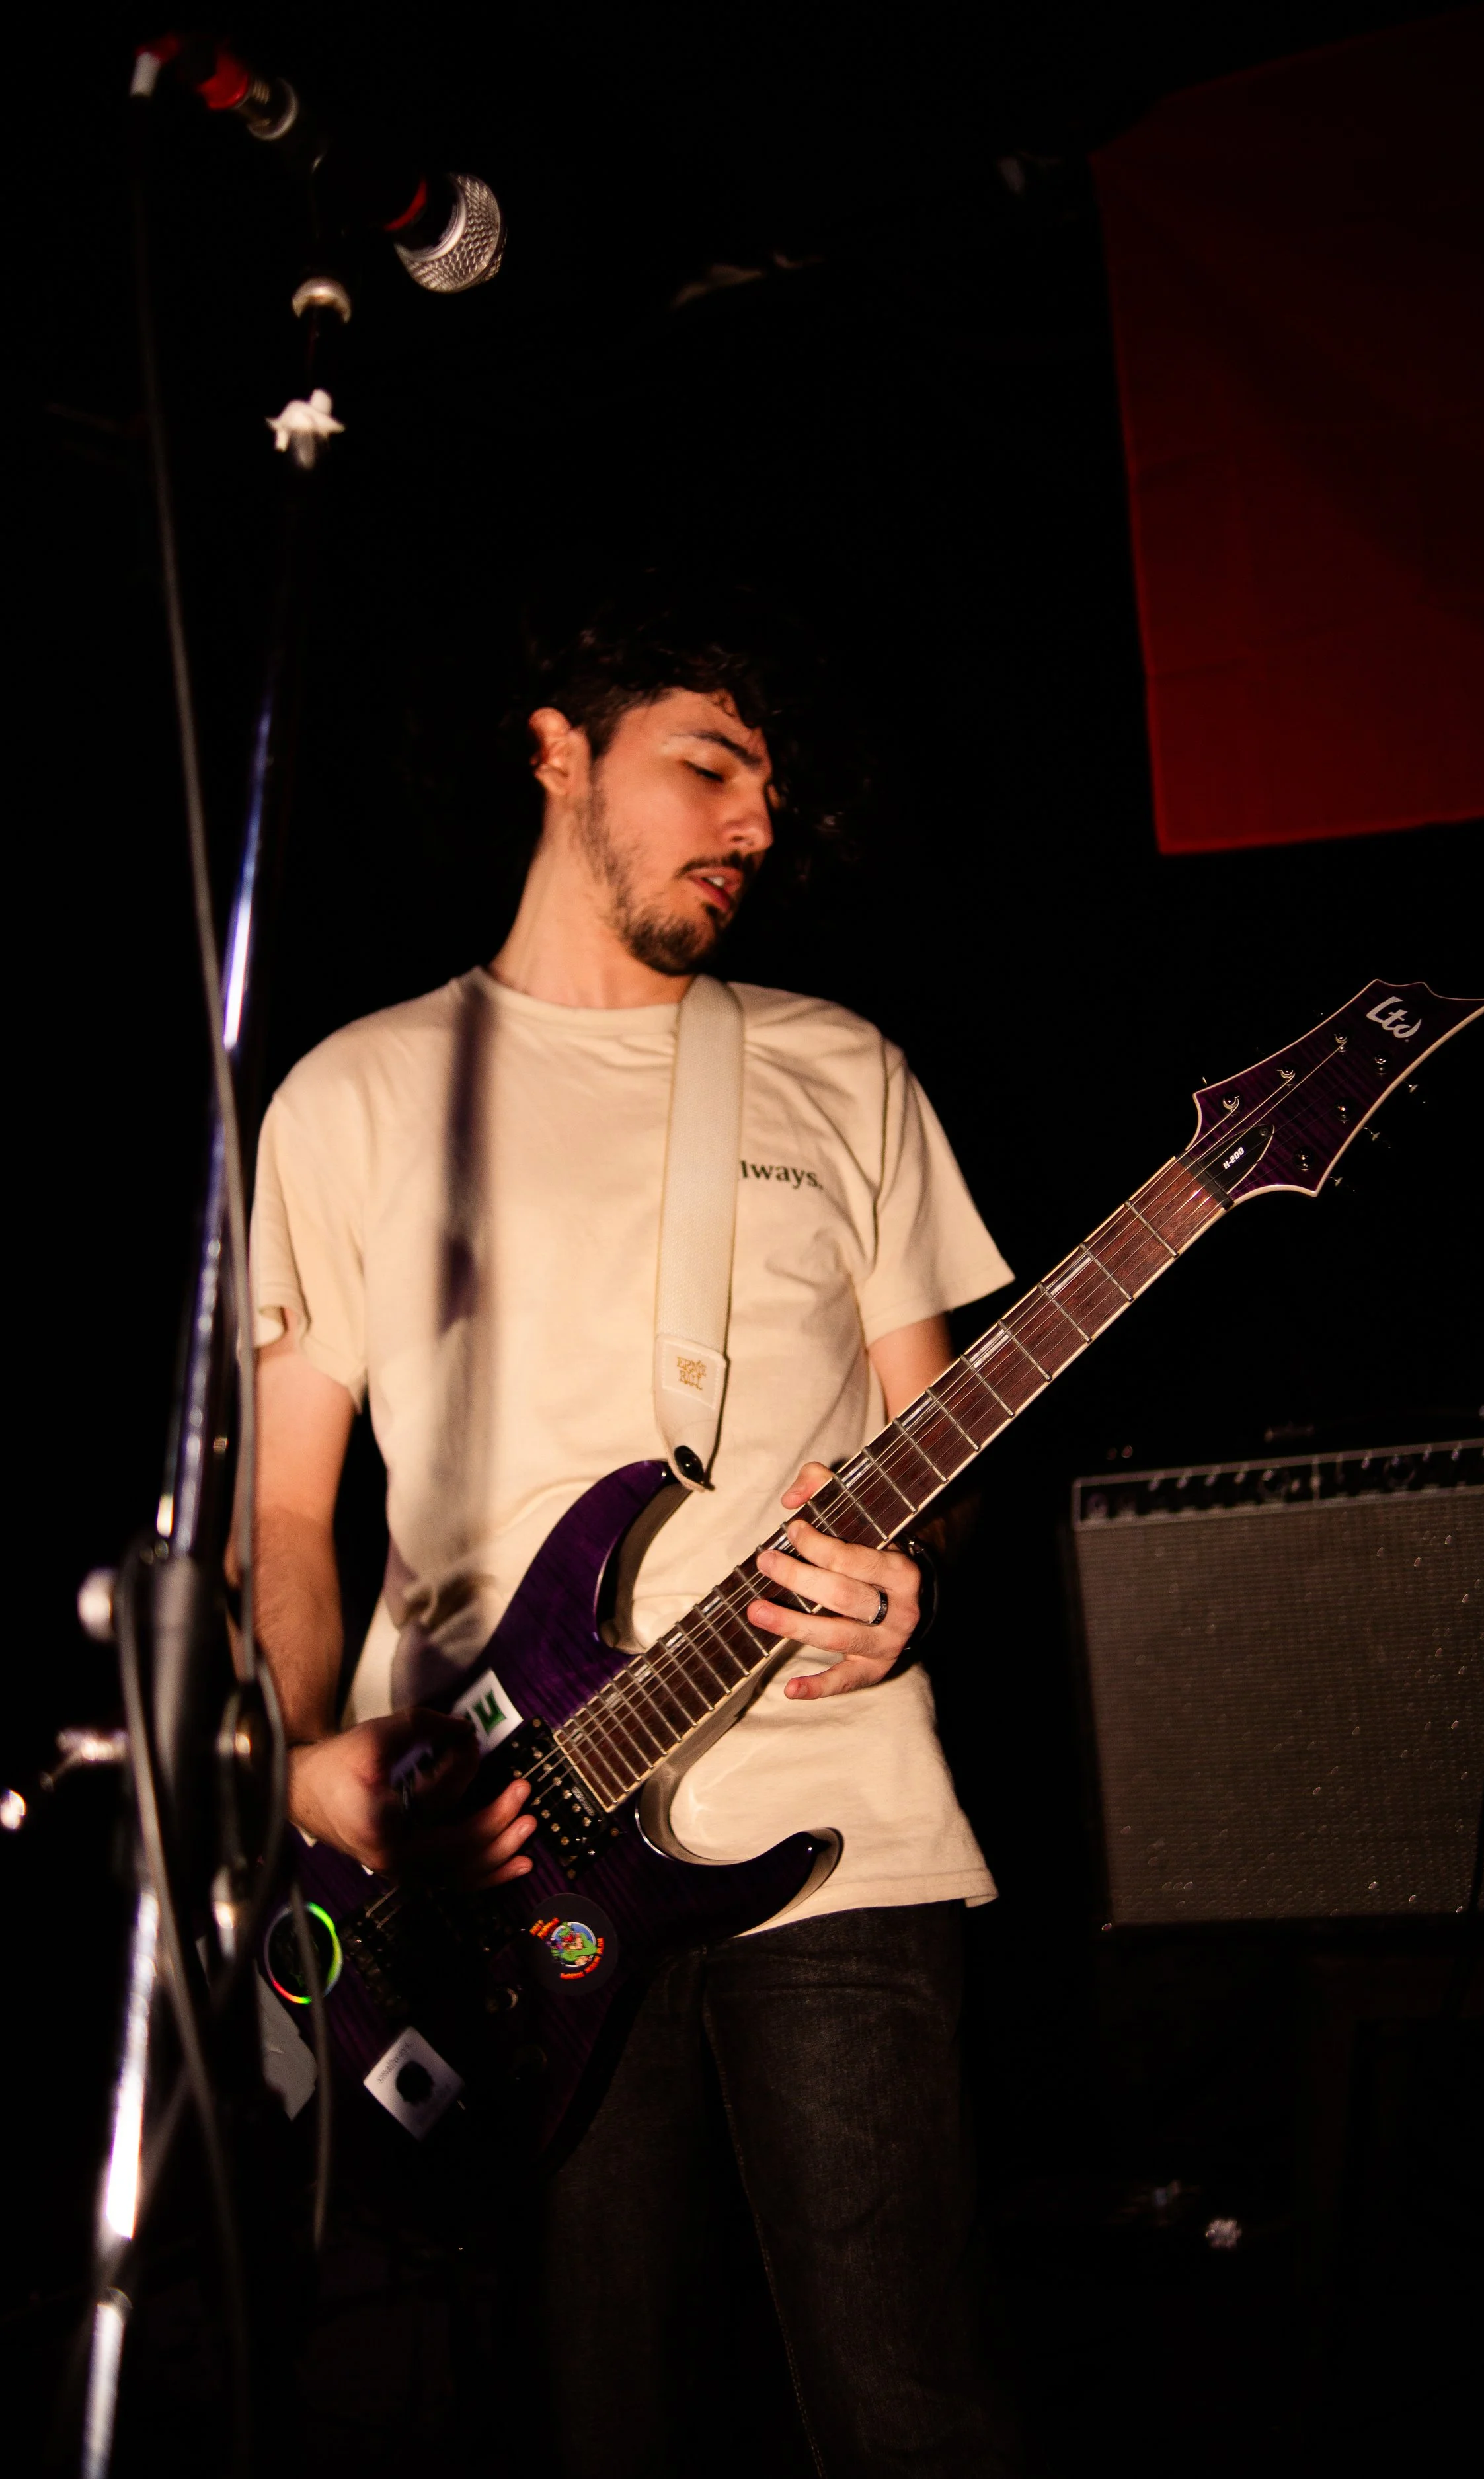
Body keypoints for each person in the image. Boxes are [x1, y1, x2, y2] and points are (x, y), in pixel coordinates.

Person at [248, 580, 1022, 2476]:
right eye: (708, 767)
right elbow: (284, 1502)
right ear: (560, 750)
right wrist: (304, 1763)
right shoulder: (353, 1094)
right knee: (596, 2418)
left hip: (839, 1825)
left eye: (770, 792)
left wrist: (911, 1574)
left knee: (906, 2410)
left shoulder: (840, 1068)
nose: (755, 826)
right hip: (496, 1866)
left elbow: (941, 1441)